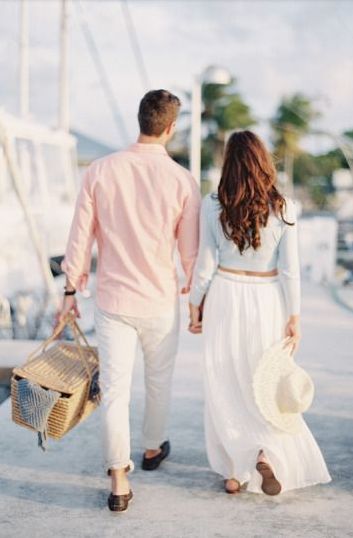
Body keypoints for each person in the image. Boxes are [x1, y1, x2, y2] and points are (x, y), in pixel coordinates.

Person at [58, 89, 201, 512]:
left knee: (116, 390)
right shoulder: (182, 180)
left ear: (139, 120)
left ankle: (118, 476)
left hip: (113, 301)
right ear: (171, 128)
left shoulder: (100, 171)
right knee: (159, 382)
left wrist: (70, 289)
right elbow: (189, 253)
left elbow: (80, 237)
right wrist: (196, 299)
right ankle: (153, 448)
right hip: (159, 300)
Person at [188, 130, 331, 495]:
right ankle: (265, 454)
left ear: (229, 164)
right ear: (263, 163)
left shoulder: (213, 203)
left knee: (225, 381)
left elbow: (204, 266)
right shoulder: (284, 207)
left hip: (225, 295)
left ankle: (235, 471)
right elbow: (291, 270)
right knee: (261, 380)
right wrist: (294, 316)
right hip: (267, 298)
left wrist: (194, 306)